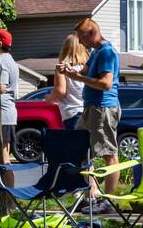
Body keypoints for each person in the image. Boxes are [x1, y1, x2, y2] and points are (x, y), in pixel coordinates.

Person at [66, 17, 122, 202]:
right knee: (80, 148)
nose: (80, 42)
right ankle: (92, 194)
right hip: (90, 107)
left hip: (103, 107)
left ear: (92, 33)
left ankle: (109, 200)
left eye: (82, 37)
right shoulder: (96, 52)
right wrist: (68, 71)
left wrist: (79, 79)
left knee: (108, 154)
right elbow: (83, 72)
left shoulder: (106, 52)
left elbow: (106, 83)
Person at [46, 33, 89, 129]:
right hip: (89, 112)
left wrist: (49, 98)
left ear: (65, 49)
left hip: (73, 113)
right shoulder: (88, 68)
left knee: (74, 143)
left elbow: (60, 92)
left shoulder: (62, 68)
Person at [0, 29, 20, 168]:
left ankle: (8, 189)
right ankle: (6, 188)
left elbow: (2, 87)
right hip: (9, 113)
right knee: (3, 156)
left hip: (3, 115)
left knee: (4, 158)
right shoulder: (11, 60)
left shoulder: (1, 61)